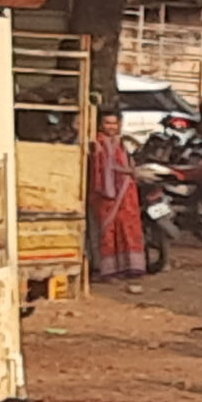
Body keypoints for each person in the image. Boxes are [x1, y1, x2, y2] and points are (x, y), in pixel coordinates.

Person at [89, 109, 146, 282]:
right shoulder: (97, 143)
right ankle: (108, 270)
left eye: (114, 123)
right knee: (108, 231)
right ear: (100, 125)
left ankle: (129, 267)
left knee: (128, 227)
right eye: (107, 123)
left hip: (126, 193)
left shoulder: (123, 142)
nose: (111, 127)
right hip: (105, 195)